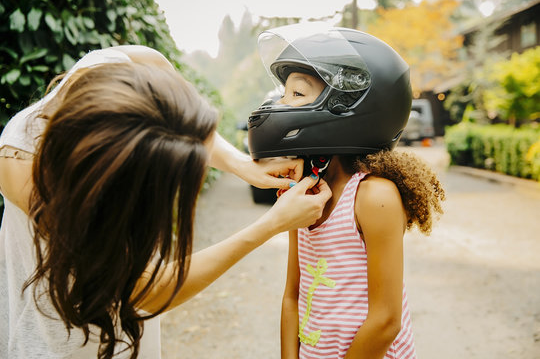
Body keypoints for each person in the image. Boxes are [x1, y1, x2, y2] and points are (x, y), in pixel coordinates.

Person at [0, 45, 332, 359]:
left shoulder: (132, 66)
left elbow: (179, 119)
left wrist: (243, 166)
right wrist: (271, 224)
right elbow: (147, 290)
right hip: (69, 344)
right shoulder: (29, 175)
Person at [247, 23, 445, 359]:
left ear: (346, 107)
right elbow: (292, 296)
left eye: (296, 94)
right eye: (283, 94)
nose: (281, 105)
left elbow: (385, 321)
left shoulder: (372, 196)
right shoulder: (304, 195)